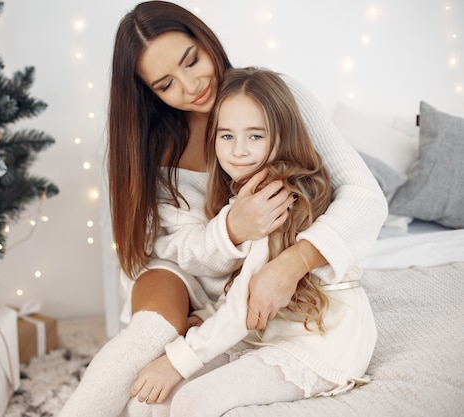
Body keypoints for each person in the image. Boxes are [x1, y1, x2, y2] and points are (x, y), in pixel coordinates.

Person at [58, 2, 387, 417]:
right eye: (166, 84)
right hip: (185, 271)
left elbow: (364, 195)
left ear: (205, 39)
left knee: (160, 396)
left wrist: (292, 263)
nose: (191, 84)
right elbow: (168, 247)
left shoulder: (272, 98)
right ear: (149, 93)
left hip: (253, 283)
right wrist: (232, 228)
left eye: (192, 60)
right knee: (147, 339)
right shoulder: (148, 144)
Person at [129, 67, 377, 416]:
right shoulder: (248, 197)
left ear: (282, 136)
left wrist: (177, 361)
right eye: (226, 136)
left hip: (321, 341)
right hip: (273, 330)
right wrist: (205, 317)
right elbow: (245, 283)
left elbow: (244, 305)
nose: (239, 151)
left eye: (255, 136)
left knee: (191, 400)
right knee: (154, 401)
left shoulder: (277, 200)